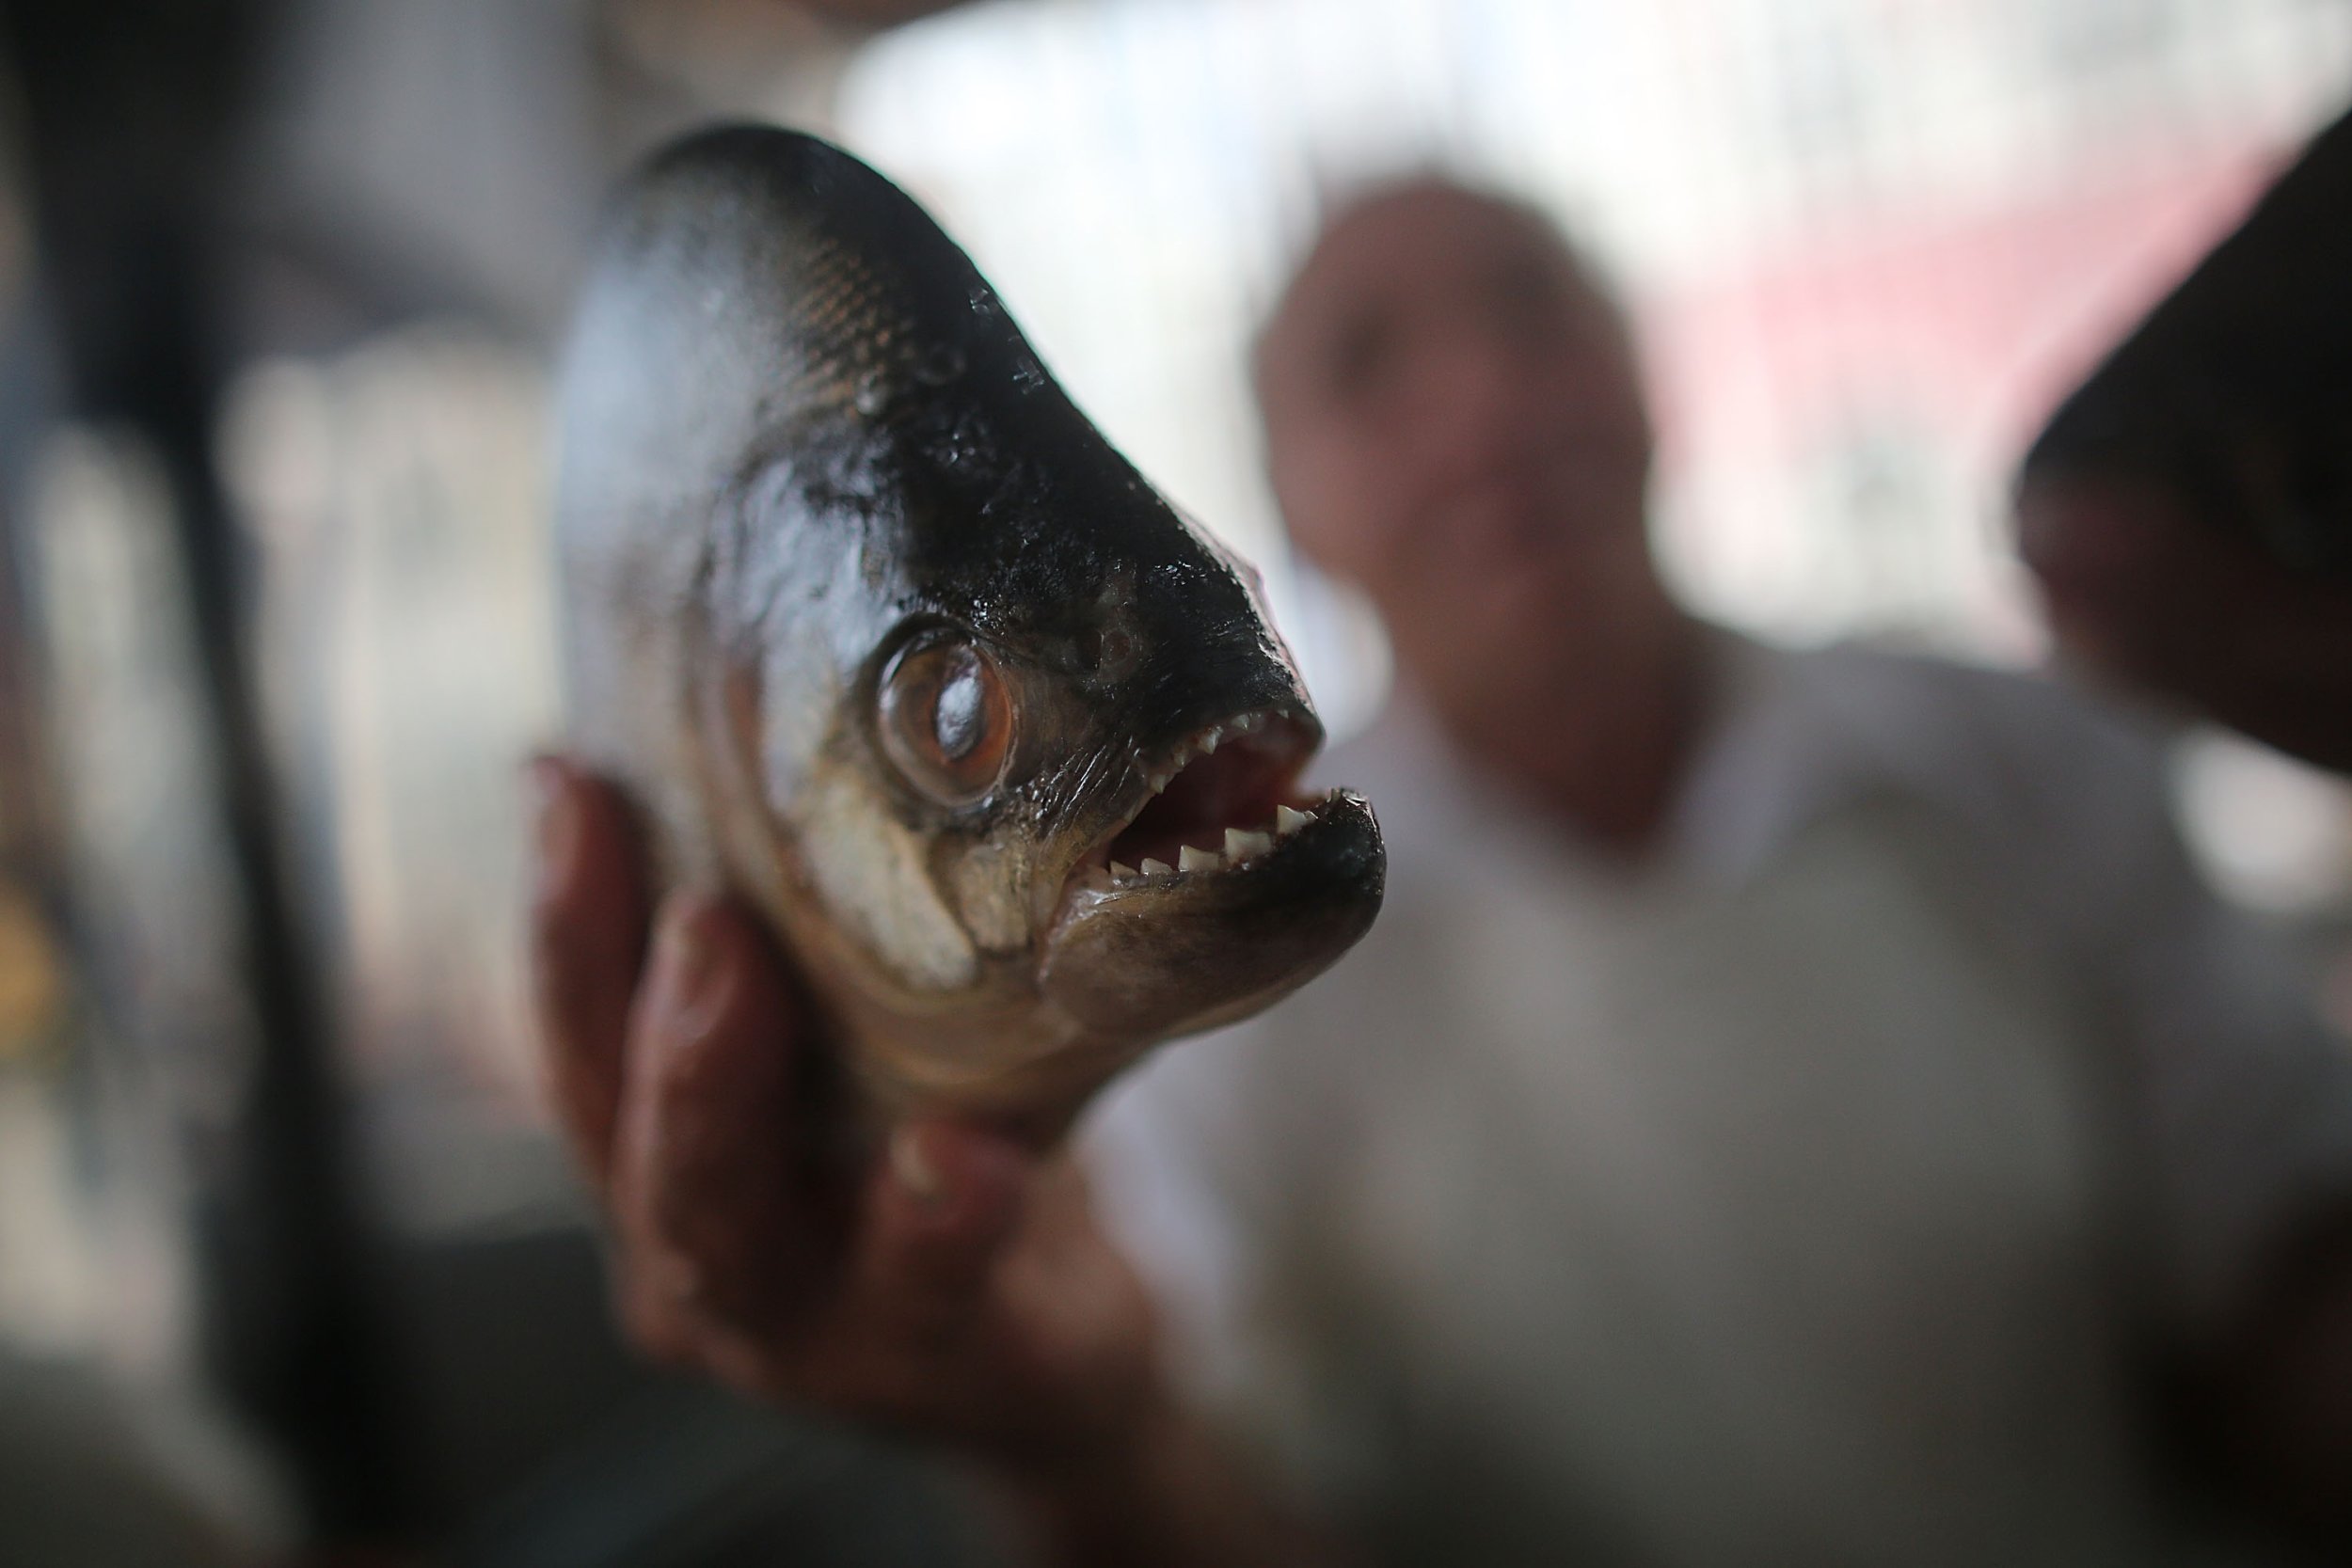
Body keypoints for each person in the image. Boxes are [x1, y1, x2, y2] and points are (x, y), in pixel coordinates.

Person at [530, 175, 2352, 1565]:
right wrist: (1063, 1439)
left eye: (1528, 307)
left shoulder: (2008, 754)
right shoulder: (1188, 959)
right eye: (1368, 363)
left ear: (1645, 388)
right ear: (1290, 502)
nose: (1478, 395)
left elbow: (2270, 1315)